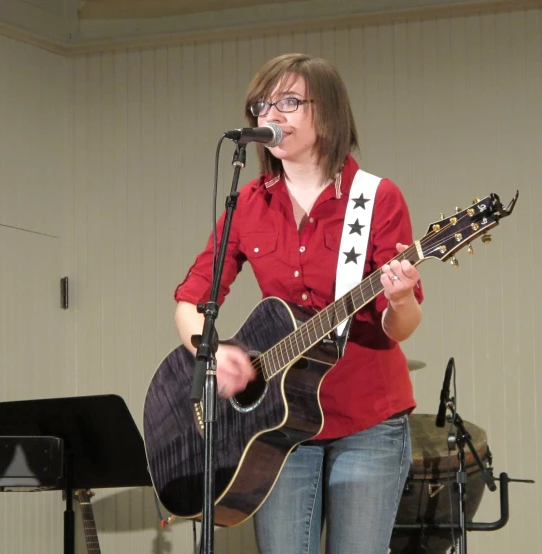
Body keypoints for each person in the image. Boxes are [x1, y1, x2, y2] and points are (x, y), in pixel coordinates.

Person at [173, 53, 423, 554]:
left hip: (367, 420)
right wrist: (212, 350)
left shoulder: (376, 198)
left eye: (289, 101)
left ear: (327, 111)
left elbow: (402, 326)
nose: (272, 115)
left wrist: (398, 297)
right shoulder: (246, 204)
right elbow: (191, 299)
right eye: (262, 105)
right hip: (278, 428)